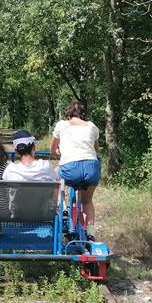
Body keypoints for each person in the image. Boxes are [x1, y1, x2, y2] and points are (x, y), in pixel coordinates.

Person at [50, 100, 100, 236]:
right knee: (87, 202)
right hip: (91, 168)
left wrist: (60, 153)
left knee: (54, 175)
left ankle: (63, 206)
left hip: (70, 168)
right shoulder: (91, 126)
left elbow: (53, 150)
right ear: (83, 115)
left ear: (68, 115)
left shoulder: (62, 125)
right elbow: (96, 149)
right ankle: (90, 234)